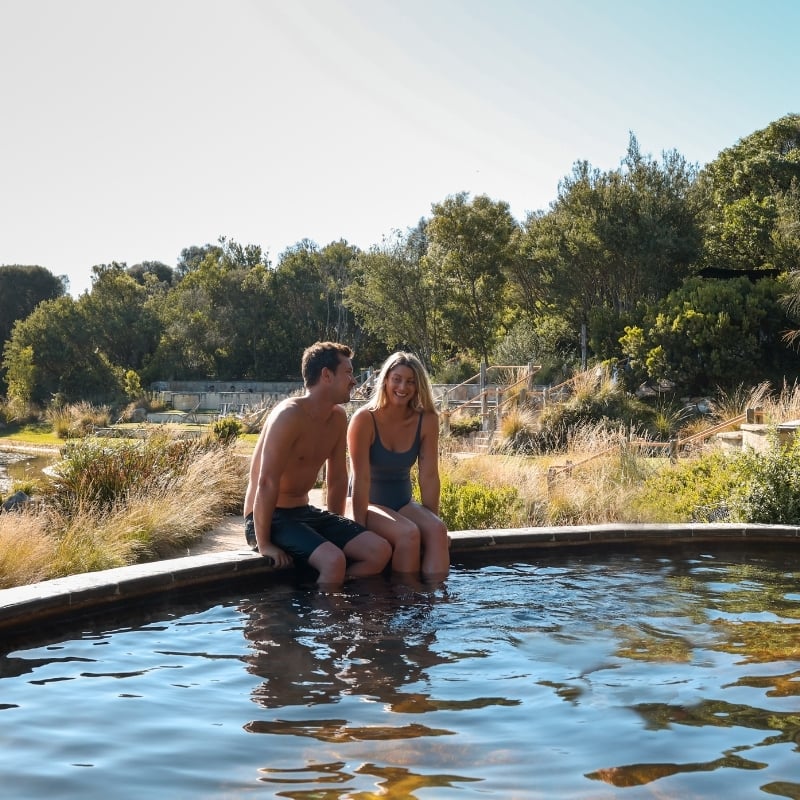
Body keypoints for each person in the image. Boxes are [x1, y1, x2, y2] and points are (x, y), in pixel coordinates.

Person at [243, 341, 392, 588]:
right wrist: (265, 543)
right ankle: (324, 621)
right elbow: (266, 481)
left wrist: (337, 530)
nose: (354, 381)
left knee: (379, 551)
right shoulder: (288, 415)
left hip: (305, 514)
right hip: (270, 517)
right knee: (333, 561)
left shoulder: (337, 417)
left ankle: (319, 593)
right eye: (348, 373)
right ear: (326, 375)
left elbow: (336, 479)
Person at [347, 351, 449, 580]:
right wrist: (358, 529)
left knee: (438, 530)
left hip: (402, 503)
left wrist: (431, 523)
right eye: (397, 379)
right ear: (385, 380)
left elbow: (430, 476)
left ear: (418, 386)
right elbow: (360, 478)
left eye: (411, 381)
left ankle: (436, 606)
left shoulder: (427, 420)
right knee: (409, 534)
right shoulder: (364, 419)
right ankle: (404, 601)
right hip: (365, 503)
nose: (403, 387)